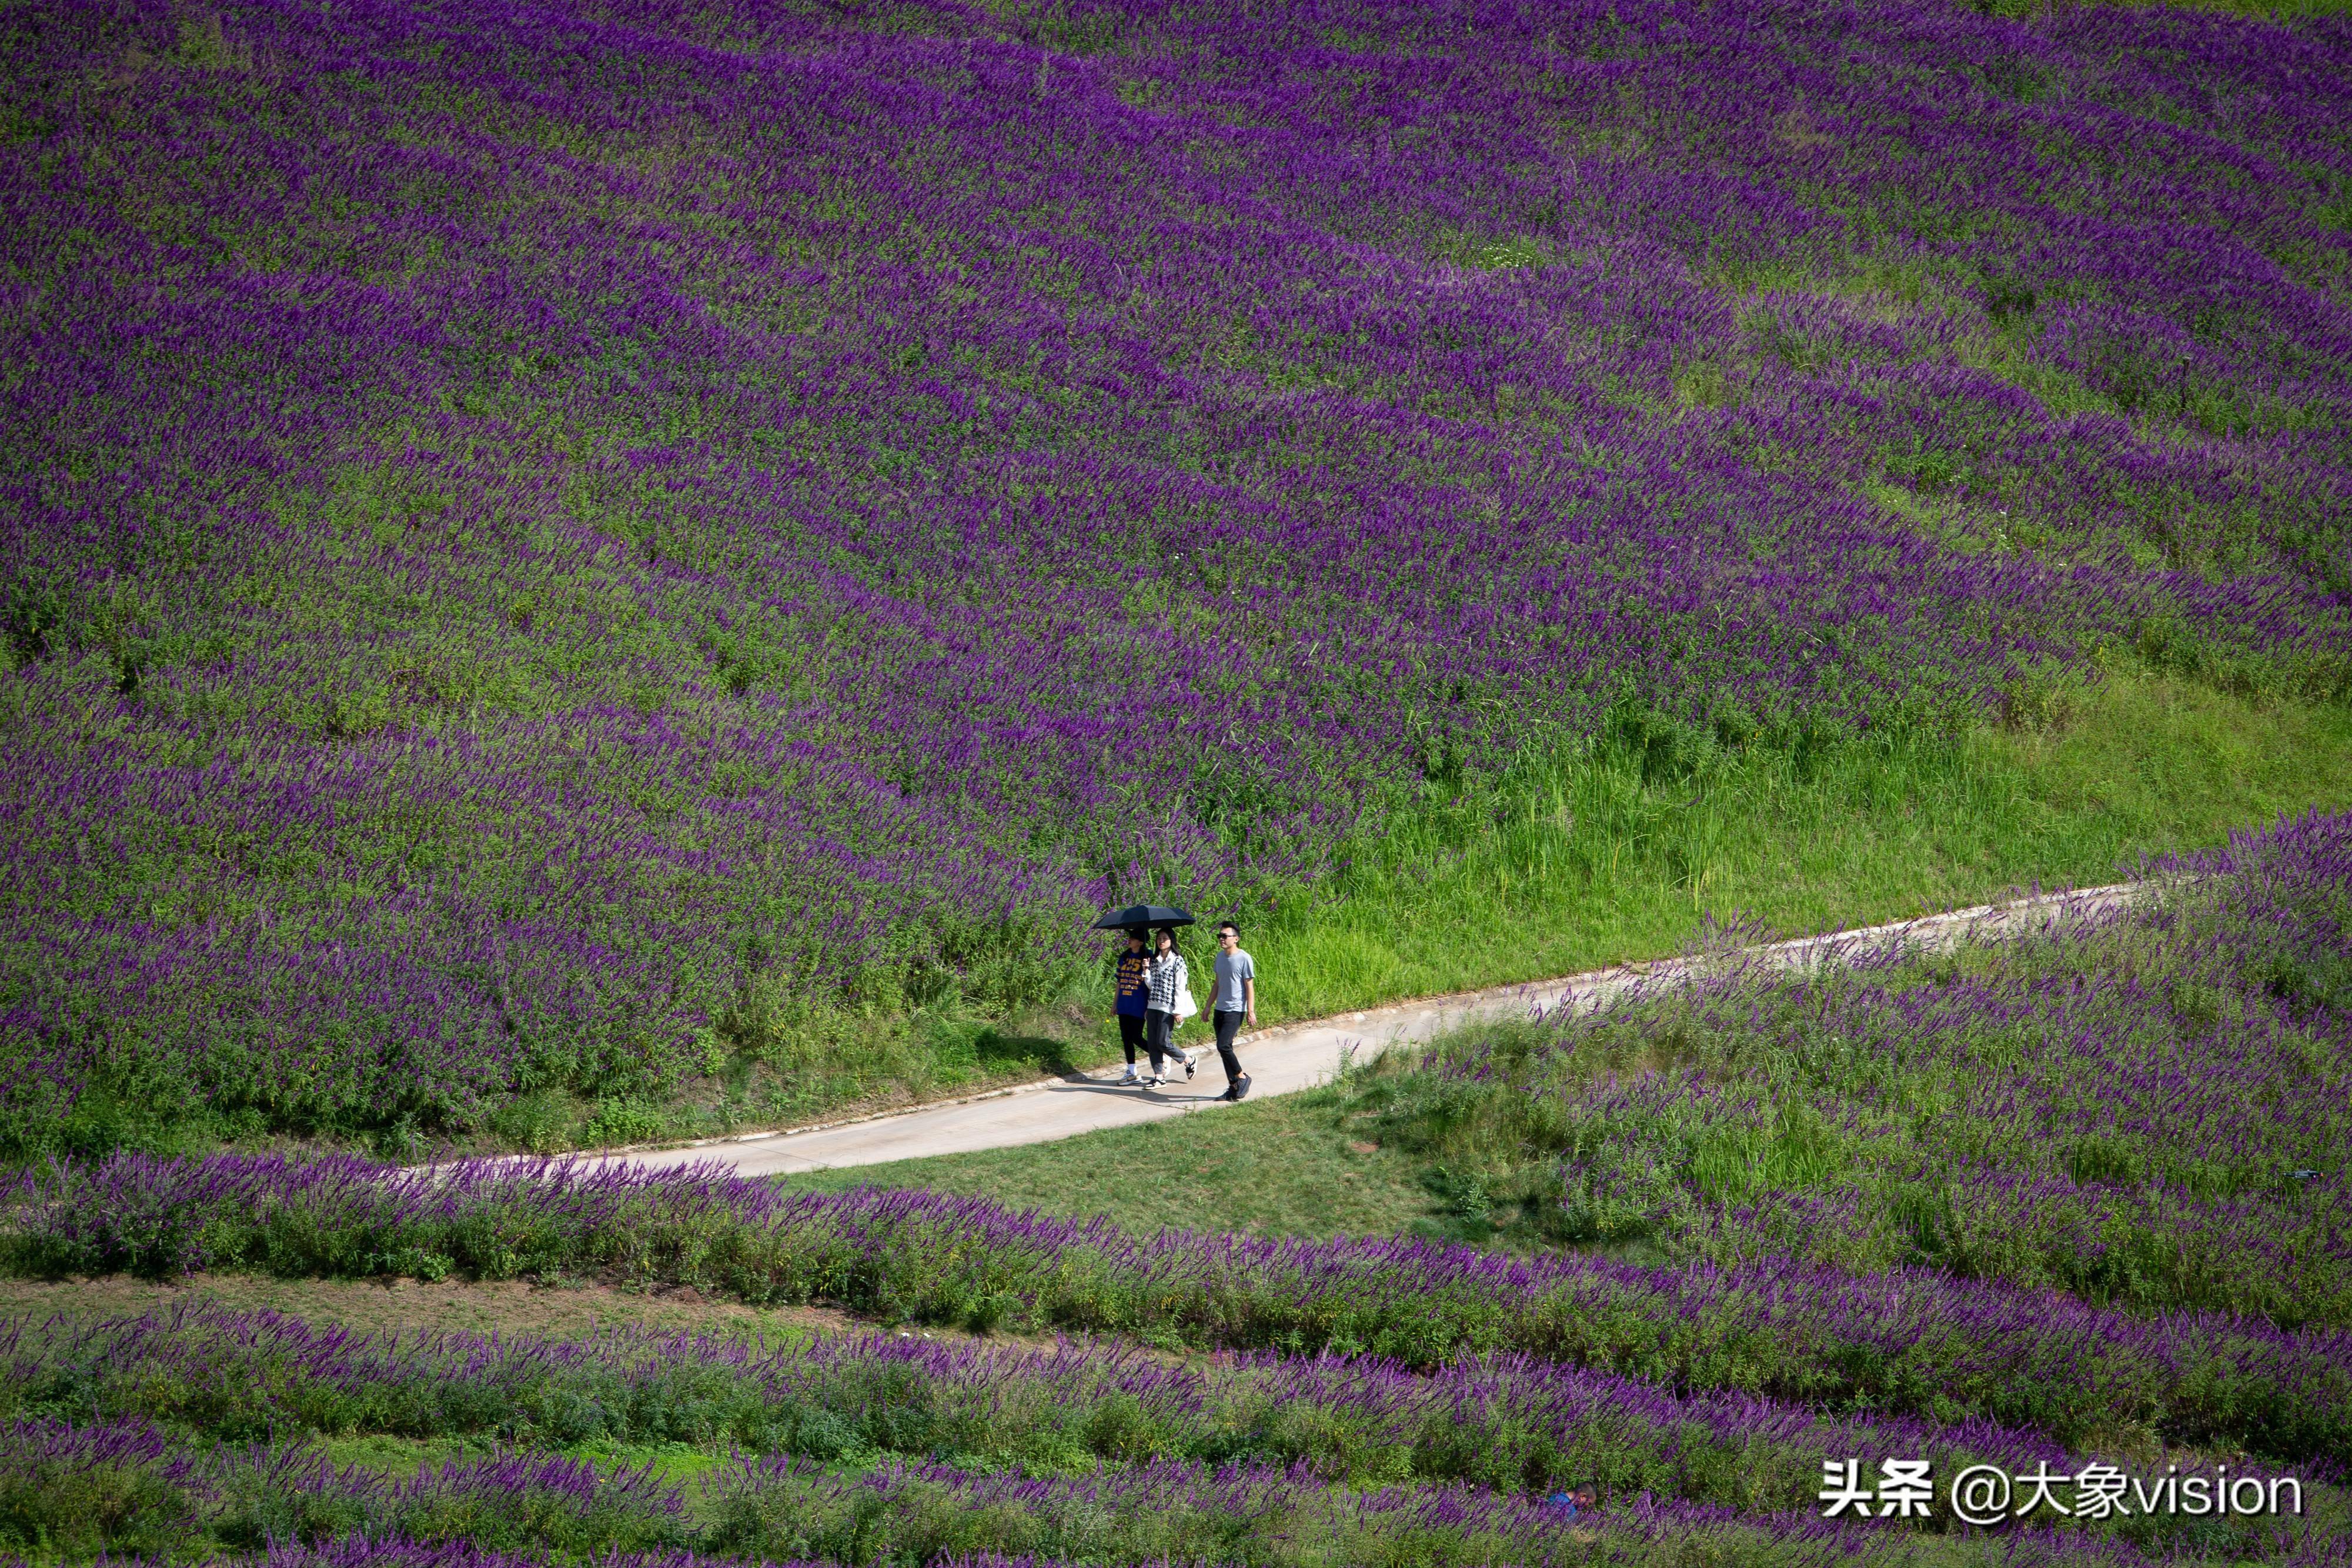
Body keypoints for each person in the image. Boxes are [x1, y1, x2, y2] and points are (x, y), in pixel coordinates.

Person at [1141, 926, 1197, 1086]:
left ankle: (1188, 1060)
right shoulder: (1155, 961)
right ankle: (1159, 1076)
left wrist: (1177, 1011)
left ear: (1172, 941)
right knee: (1153, 1044)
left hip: (1168, 1008)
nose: (1161, 941)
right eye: (1159, 939)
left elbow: (1180, 987)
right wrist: (1146, 971)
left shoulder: (1178, 961)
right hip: (1153, 1006)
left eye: (1165, 938)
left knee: (1163, 1042)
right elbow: (1152, 985)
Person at [1207, 920, 1255, 1101]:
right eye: (1220, 936)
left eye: (1225, 936)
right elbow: (1217, 984)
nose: (1221, 939)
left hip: (1236, 1010)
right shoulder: (1220, 957)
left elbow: (1249, 986)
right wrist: (1208, 1006)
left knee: (1223, 1045)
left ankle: (1242, 1077)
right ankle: (1233, 1088)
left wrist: (1251, 1011)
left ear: (1236, 939)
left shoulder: (1244, 958)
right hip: (1220, 1009)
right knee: (1224, 1050)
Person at [1112, 930, 1152, 1085]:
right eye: (1130, 937)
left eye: (1133, 938)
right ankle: (1132, 1072)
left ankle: (1160, 1054)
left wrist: (1150, 1005)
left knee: (1136, 1036)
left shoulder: (1148, 957)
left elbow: (1151, 984)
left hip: (1139, 1003)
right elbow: (1119, 982)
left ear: (1141, 942)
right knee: (1126, 1037)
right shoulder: (1125, 957)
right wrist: (1115, 1003)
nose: (1129, 940)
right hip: (1124, 1002)